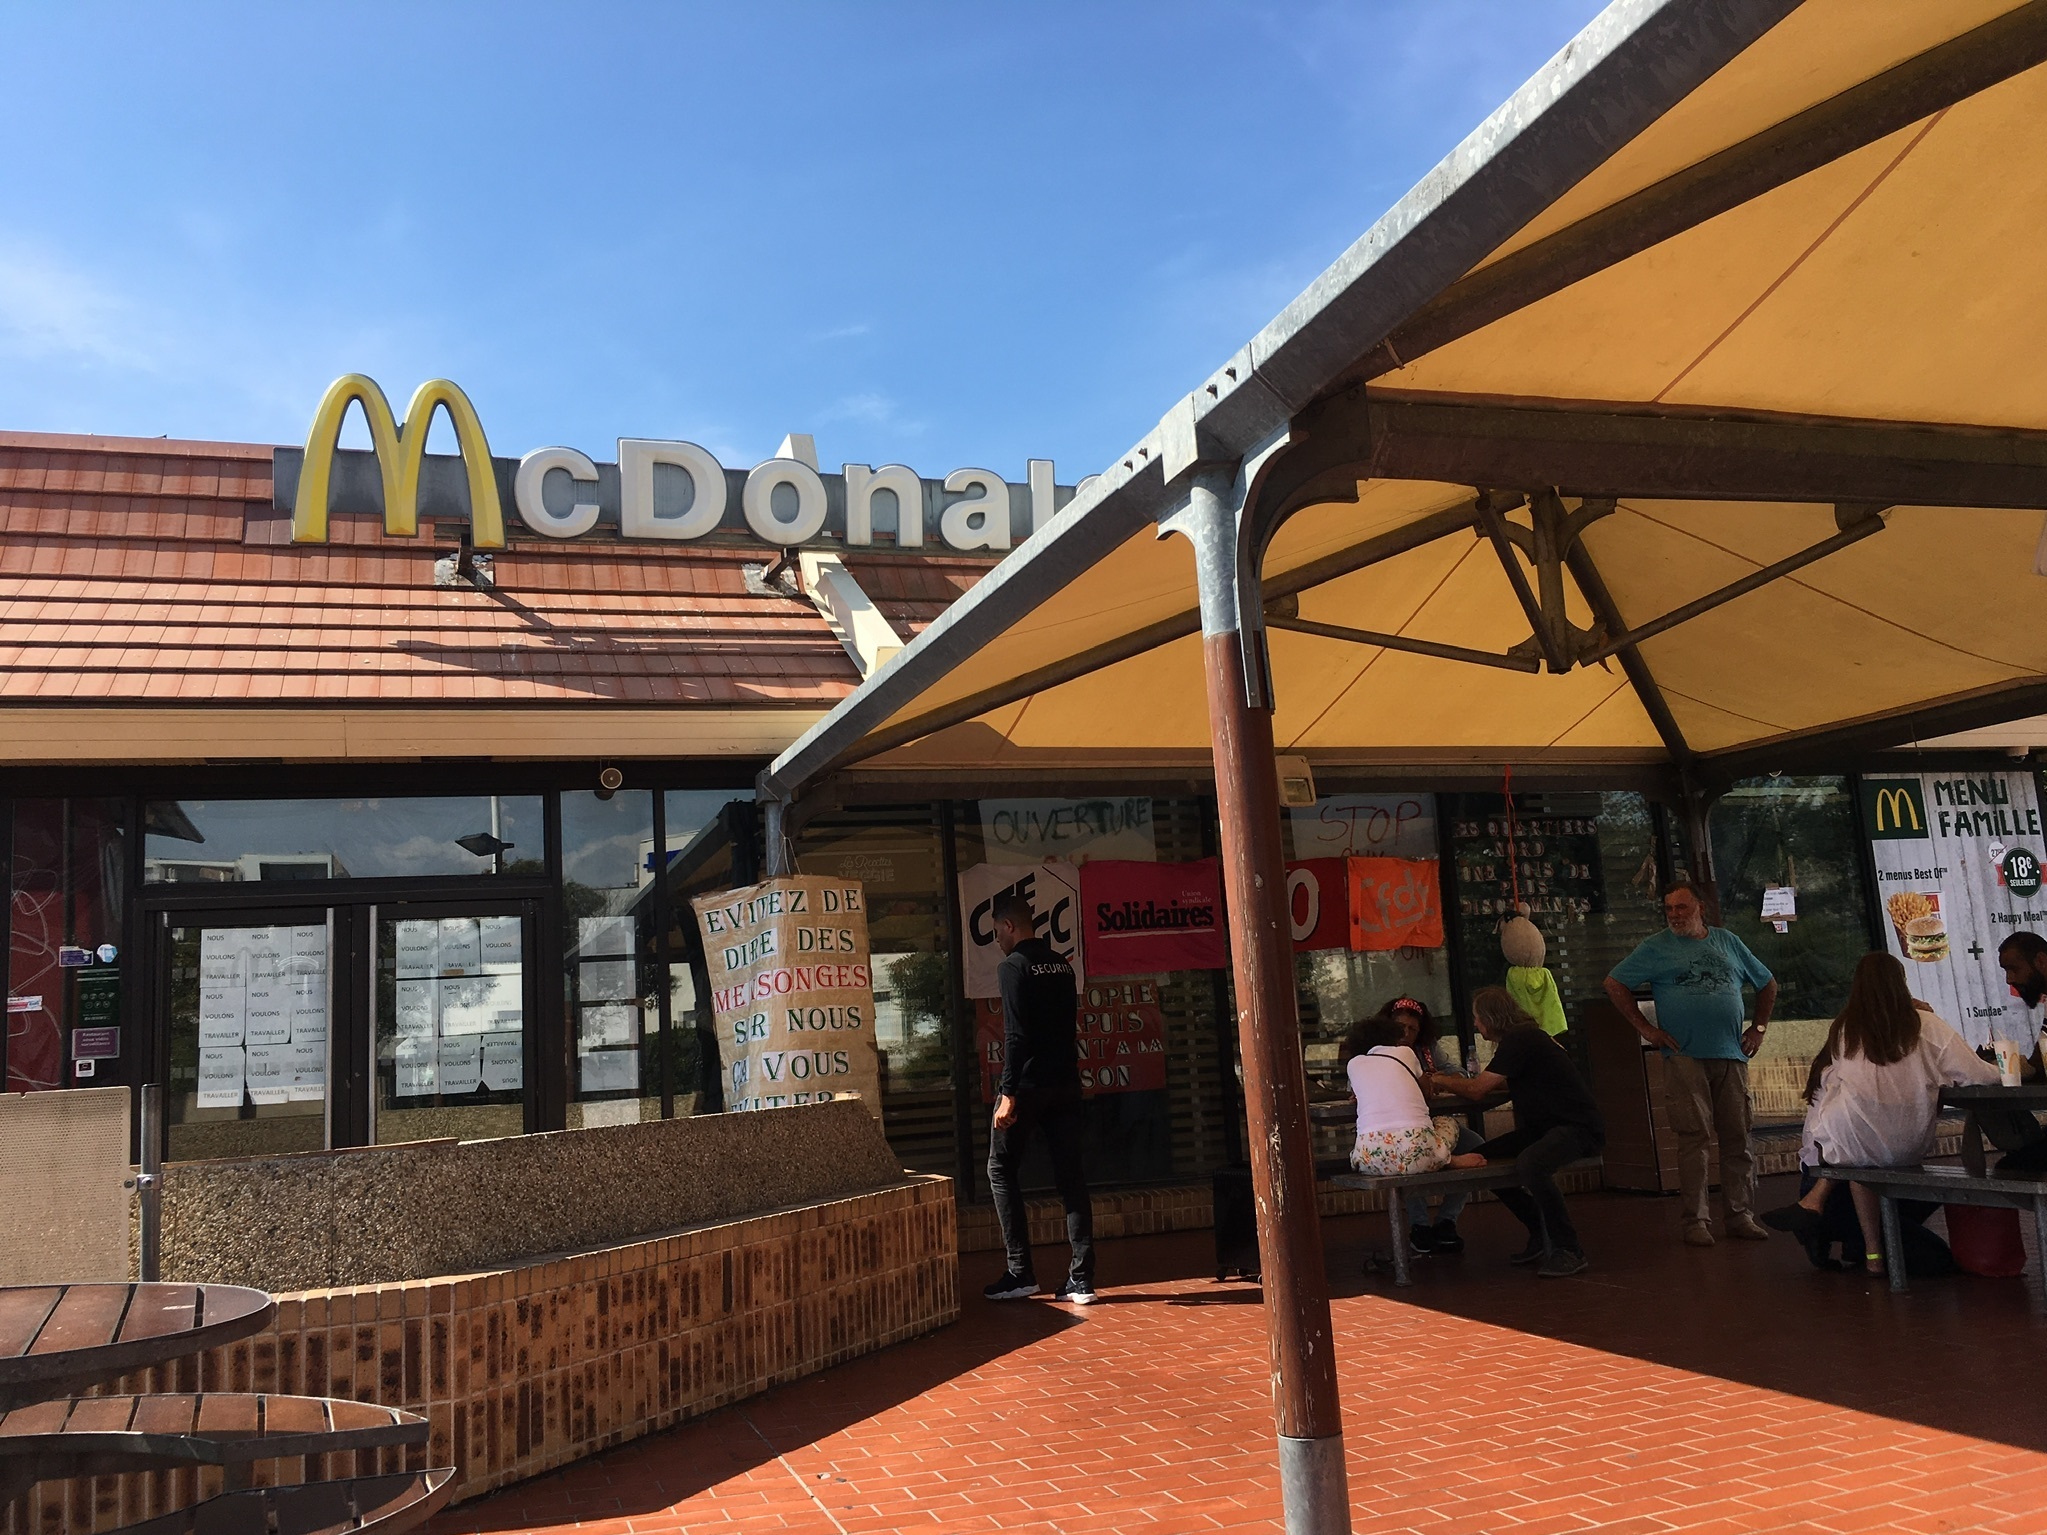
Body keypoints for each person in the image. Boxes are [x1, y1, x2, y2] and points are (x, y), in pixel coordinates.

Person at [1762, 952, 1998, 1273]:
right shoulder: (1926, 1026)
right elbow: (1979, 1075)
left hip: (1845, 1152)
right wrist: (2013, 1069)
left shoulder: (1845, 1030)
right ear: (1901, 985)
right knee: (1937, 1256)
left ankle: (1862, 1245)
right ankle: (1862, 1241)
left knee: (1860, 1156)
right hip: (1903, 1149)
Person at [1604, 880, 1777, 1247]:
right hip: (1684, 1054)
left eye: (1681, 907)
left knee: (1738, 1136)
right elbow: (1614, 983)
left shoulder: (1727, 941)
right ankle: (1696, 1220)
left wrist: (1759, 1029)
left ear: (1700, 907)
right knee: (1693, 1137)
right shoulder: (1655, 947)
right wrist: (1646, 1029)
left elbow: (1767, 983)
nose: (1674, 915)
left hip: (1732, 1052)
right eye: (1668, 909)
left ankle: (1740, 1215)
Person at [1429, 987, 1605, 1278]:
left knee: (1531, 1164)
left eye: (1476, 1018)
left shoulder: (1521, 1038)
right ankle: (1539, 1227)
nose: (1475, 1024)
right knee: (1479, 1158)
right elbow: (1497, 1081)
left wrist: (1440, 1080)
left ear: (1490, 1017)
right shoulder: (1524, 1038)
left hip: (1577, 1128)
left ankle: (1568, 1248)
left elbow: (1477, 1090)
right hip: (1545, 1129)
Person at [982, 891, 1096, 1305]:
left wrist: (1007, 1093)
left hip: (1028, 1087)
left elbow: (1015, 1035)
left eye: (997, 932)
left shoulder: (1013, 967)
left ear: (1010, 926)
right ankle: (1082, 1280)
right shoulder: (1062, 966)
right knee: (1071, 1179)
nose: (997, 940)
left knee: (1000, 1169)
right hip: (1066, 1083)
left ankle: (1020, 1272)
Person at [1340, 1011, 1486, 1255]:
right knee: (1444, 1123)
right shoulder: (1406, 1053)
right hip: (1416, 1152)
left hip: (1368, 1159)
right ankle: (1447, 1160)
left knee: (1404, 1147)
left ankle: (1441, 1167)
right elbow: (1425, 1089)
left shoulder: (1353, 1064)